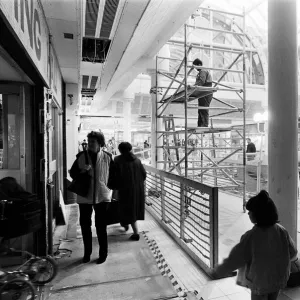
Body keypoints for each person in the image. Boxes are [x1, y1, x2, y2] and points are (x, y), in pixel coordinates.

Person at [212, 190, 297, 300]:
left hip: (260, 282)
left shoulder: (251, 236)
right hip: (278, 279)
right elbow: (293, 253)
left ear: (258, 214)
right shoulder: (282, 231)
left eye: (250, 211)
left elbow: (236, 258)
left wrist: (219, 271)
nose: (248, 213)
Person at [70, 131, 113, 264]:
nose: (89, 144)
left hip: (102, 196)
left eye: (93, 142)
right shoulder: (81, 156)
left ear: (100, 143)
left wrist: (110, 190)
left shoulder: (108, 157)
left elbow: (113, 176)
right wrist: (82, 171)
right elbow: (72, 173)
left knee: (101, 226)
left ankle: (103, 254)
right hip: (85, 197)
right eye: (89, 142)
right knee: (85, 225)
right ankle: (87, 253)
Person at [108, 142, 146, 241]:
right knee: (132, 209)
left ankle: (135, 232)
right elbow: (144, 175)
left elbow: (113, 175)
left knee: (126, 209)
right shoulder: (137, 160)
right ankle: (126, 224)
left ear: (120, 150)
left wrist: (112, 186)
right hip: (137, 189)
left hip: (124, 189)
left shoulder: (117, 160)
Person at [192, 58, 213, 127]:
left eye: (196, 66)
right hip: (202, 92)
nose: (195, 68)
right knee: (201, 109)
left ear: (199, 64)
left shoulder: (203, 71)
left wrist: (193, 87)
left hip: (205, 92)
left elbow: (201, 81)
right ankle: (201, 125)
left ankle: (204, 125)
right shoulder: (201, 72)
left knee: (203, 109)